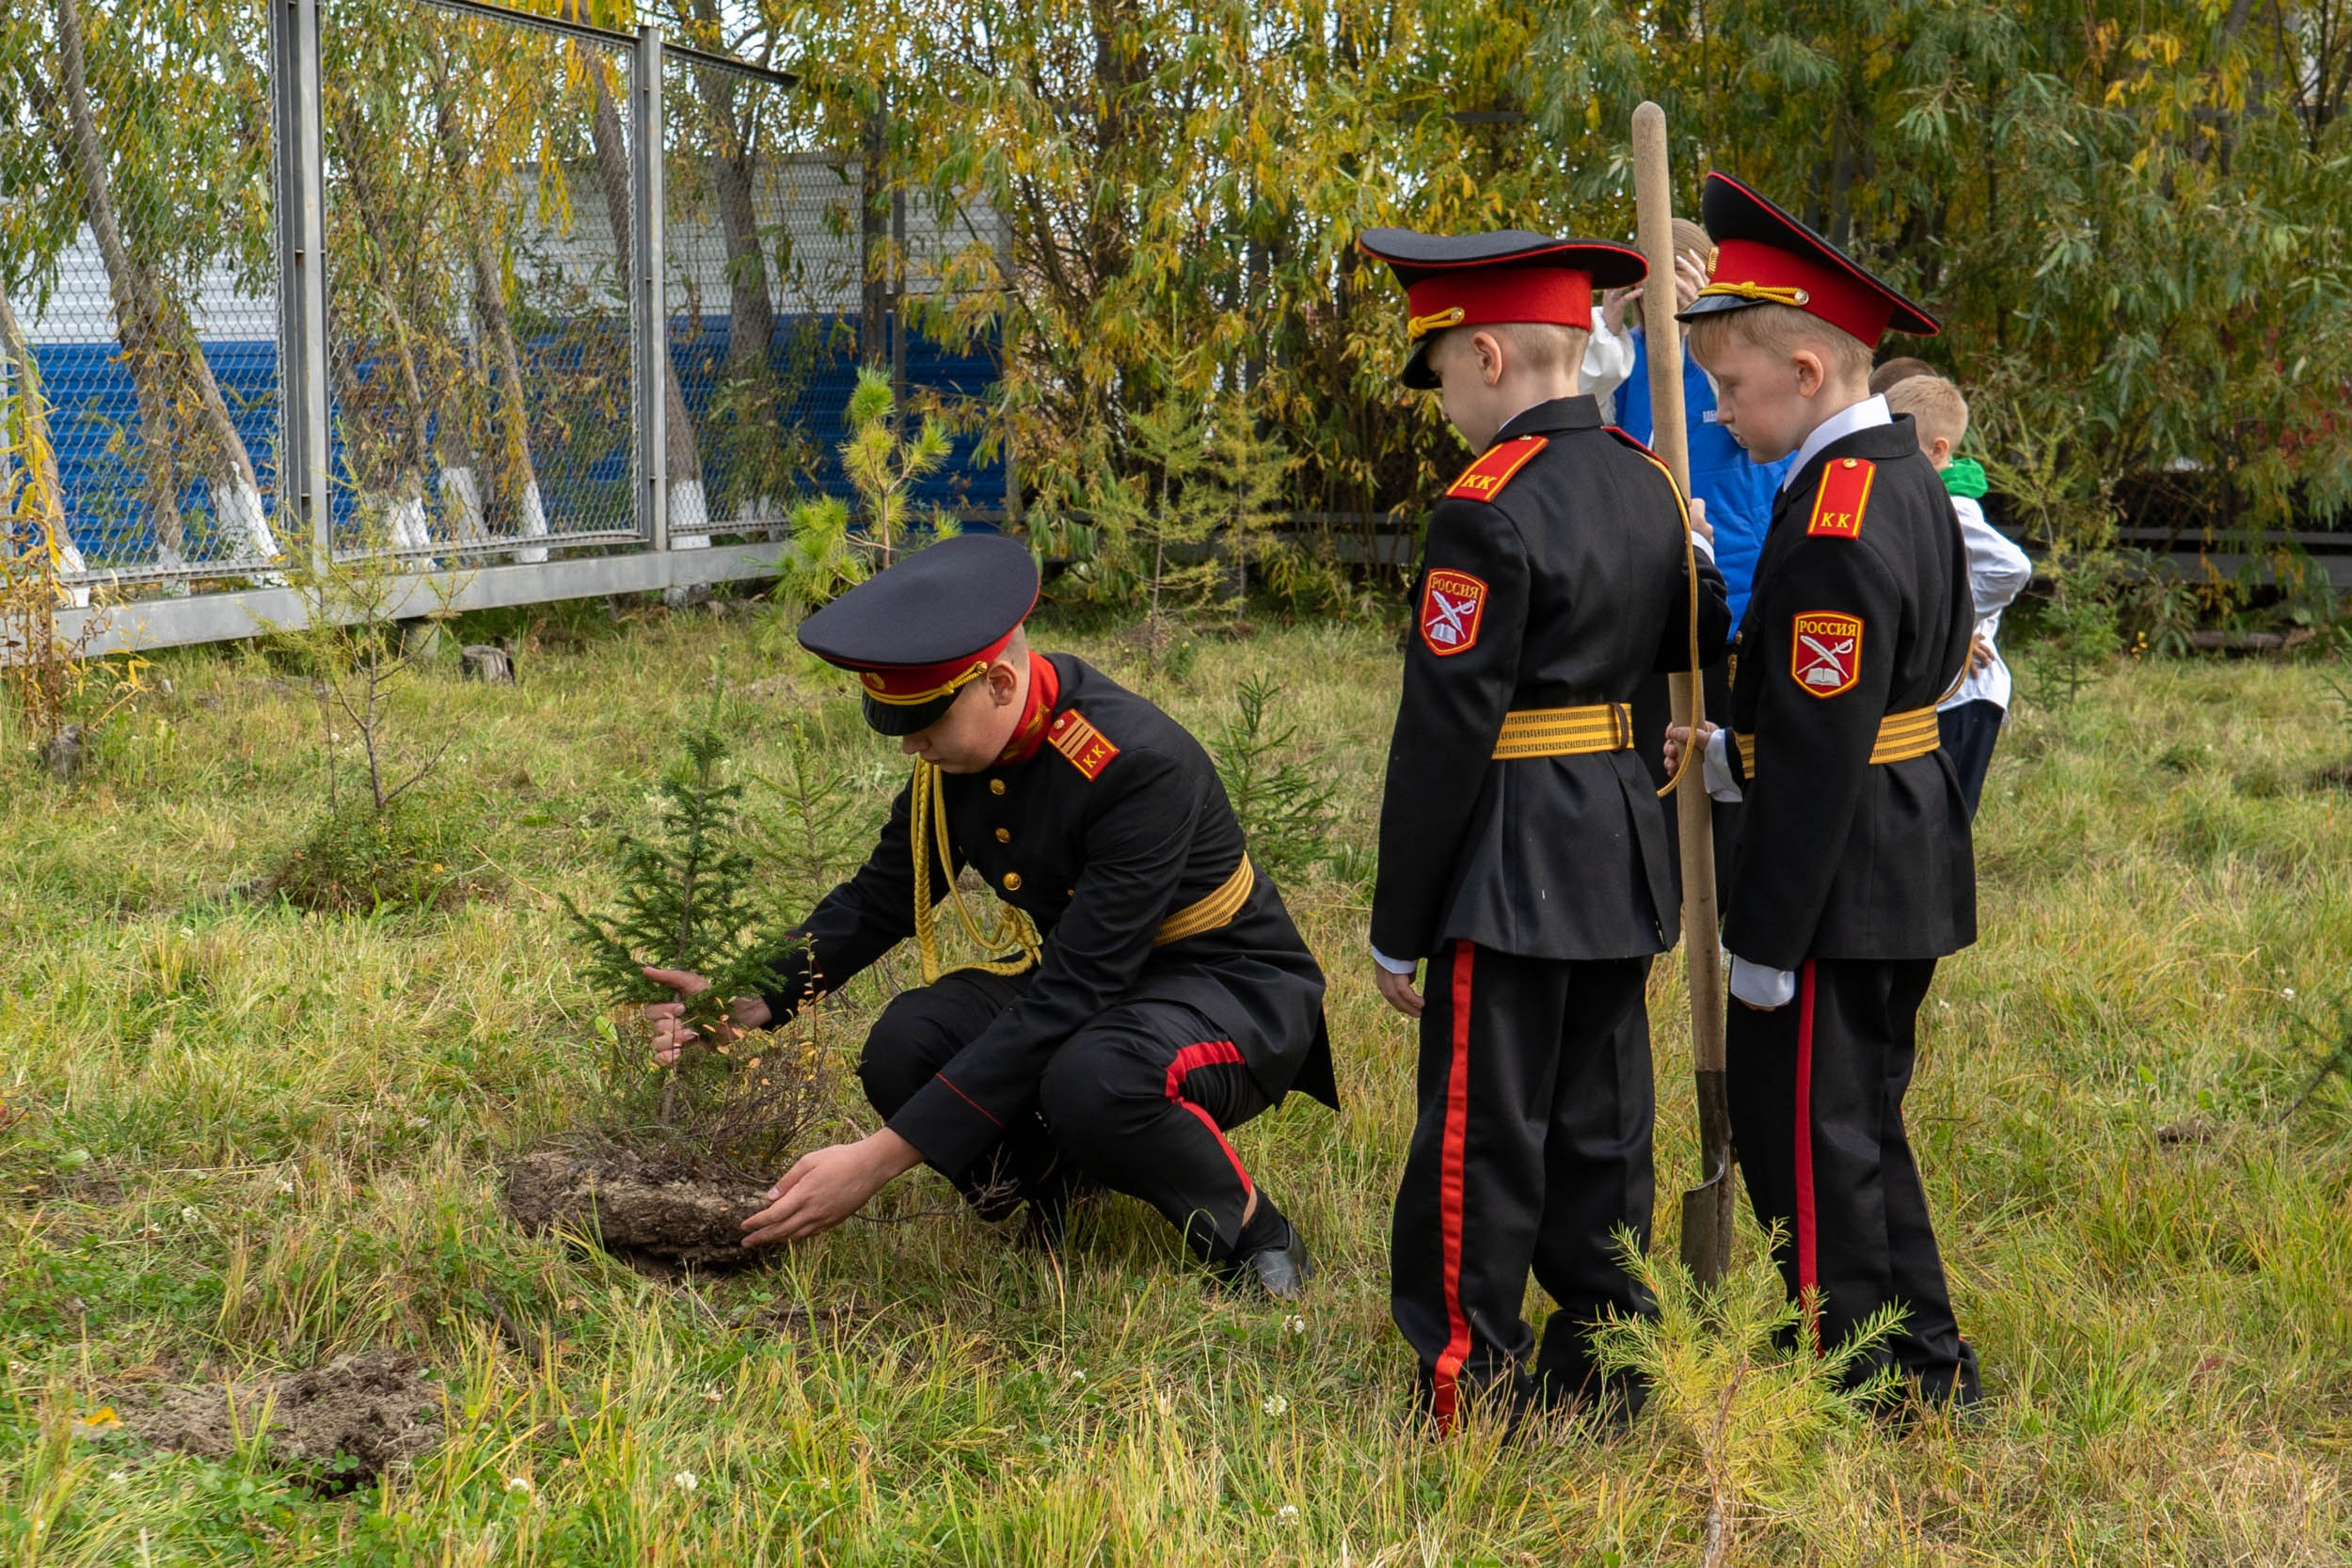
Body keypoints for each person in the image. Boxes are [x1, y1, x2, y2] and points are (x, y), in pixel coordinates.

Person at [640, 534, 1335, 1295]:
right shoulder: (964, 757)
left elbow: (1071, 994)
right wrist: (751, 999)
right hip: (1097, 980)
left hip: (1227, 987)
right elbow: (879, 899)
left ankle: (1255, 1234)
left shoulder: (1135, 765)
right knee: (904, 1045)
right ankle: (1058, 1184)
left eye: (926, 720)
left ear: (999, 683)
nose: (910, 743)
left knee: (1095, 1078)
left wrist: (876, 1160)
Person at [1356, 227, 1731, 1430]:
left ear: (1486, 357)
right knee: (1603, 1125)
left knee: (1482, 1132)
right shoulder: (1648, 481)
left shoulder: (1484, 507)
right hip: (1618, 845)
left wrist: (1399, 924)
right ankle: (1607, 1362)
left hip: (1510, 857)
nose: (1445, 407)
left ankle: (1467, 1374)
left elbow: (1443, 736)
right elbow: (1689, 646)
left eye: (1442, 379)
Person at [1664, 172, 1982, 1410]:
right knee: (1862, 1124)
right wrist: (1729, 743)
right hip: (1896, 842)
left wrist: (1764, 940)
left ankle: (1850, 1376)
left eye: (1730, 386)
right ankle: (1924, 1360)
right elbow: (1824, 710)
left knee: (1805, 1135)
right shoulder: (1895, 472)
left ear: (1804, 371)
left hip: (1835, 876)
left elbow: (1814, 749)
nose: (1718, 409)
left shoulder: (1837, 518)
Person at [1880, 372, 2033, 817]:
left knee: (1947, 818)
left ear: (1937, 449)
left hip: (1968, 691)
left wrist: (1951, 624)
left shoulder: (1954, 507)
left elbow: (2013, 567)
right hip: (1949, 688)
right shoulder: (1924, 498)